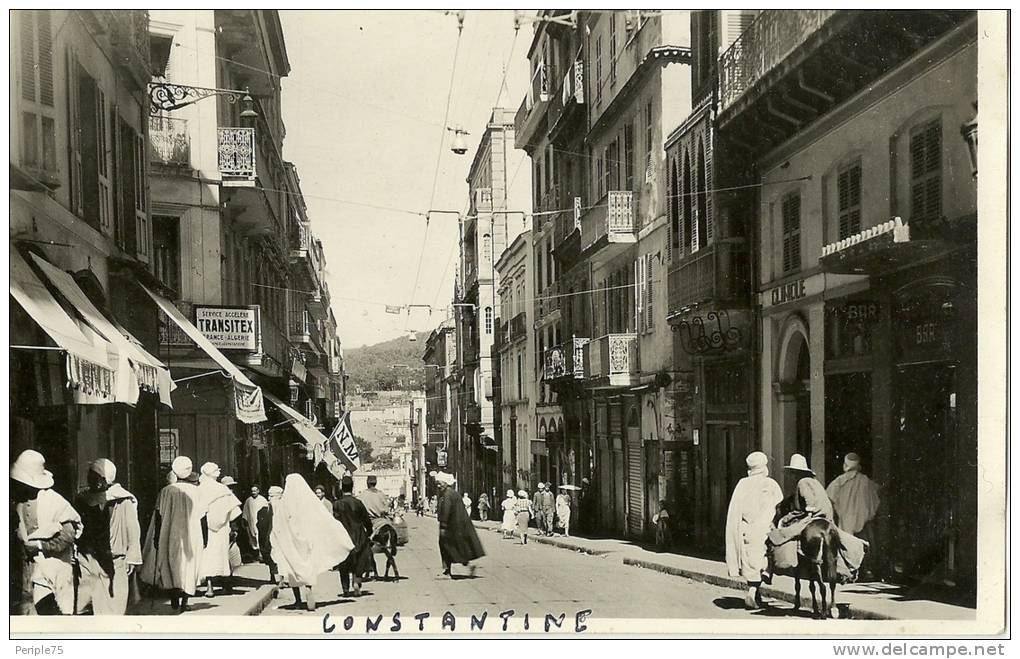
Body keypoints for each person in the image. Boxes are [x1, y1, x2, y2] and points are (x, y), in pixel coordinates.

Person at [11, 450, 85, 615]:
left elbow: (68, 534)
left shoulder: (54, 501)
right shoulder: (17, 501)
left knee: (54, 615)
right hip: (27, 574)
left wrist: (39, 545)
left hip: (54, 569)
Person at [271, 474, 354, 611]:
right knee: (307, 569)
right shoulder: (307, 503)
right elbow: (321, 519)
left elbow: (278, 524)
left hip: (290, 544)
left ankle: (298, 600)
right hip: (305, 542)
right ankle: (309, 592)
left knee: (293, 571)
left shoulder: (284, 504)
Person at [139, 456, 208, 612]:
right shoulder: (197, 492)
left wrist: (156, 536)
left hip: (169, 533)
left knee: (170, 564)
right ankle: (184, 601)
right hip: (192, 535)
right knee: (189, 566)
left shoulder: (166, 491)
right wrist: (205, 538)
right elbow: (203, 516)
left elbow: (158, 514)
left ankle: (173, 596)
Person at [75, 458, 142, 615]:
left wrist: (132, 556)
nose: (90, 479)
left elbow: (133, 528)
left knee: (116, 602)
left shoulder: (122, 499)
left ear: (104, 479)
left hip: (116, 557)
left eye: (94, 476)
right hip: (91, 558)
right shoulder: (83, 498)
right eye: (90, 475)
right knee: (93, 601)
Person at [725, 451, 783, 610]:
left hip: (746, 528)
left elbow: (735, 509)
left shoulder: (742, 484)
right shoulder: (770, 484)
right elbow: (778, 503)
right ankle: (752, 592)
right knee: (764, 560)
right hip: (763, 529)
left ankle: (755, 594)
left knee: (750, 562)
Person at [197, 463, 242, 598]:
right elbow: (234, 512)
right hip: (222, 529)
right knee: (222, 555)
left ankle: (209, 587)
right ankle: (225, 585)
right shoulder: (223, 490)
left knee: (207, 557)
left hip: (205, 530)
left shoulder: (199, 490)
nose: (219, 471)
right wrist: (233, 528)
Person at [435, 472, 485, 577]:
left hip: (449, 526)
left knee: (445, 546)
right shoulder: (454, 493)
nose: (438, 486)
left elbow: (446, 510)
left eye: (439, 483)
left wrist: (443, 525)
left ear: (445, 483)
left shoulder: (447, 494)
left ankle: (447, 571)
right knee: (456, 547)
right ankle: (466, 565)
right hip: (457, 526)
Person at [332, 475, 373, 597]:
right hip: (358, 535)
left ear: (341, 488)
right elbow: (366, 520)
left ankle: (345, 589)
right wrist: (369, 532)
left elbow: (334, 521)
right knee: (360, 560)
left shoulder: (337, 504)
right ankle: (356, 582)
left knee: (343, 562)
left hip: (343, 536)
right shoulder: (358, 503)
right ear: (352, 487)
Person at [826, 452, 880, 542]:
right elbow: (876, 494)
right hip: (862, 528)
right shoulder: (865, 481)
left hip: (845, 526)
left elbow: (829, 497)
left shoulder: (839, 481)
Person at [782, 454, 834, 519]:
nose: (792, 476)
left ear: (797, 473)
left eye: (793, 473)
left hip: (816, 515)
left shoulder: (803, 482)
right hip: (826, 514)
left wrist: (809, 514)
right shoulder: (814, 481)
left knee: (784, 522)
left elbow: (809, 499)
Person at [257, 486, 282, 584]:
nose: (270, 499)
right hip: (269, 538)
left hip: (280, 538)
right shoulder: (263, 511)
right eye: (270, 496)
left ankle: (282, 578)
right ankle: (273, 576)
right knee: (271, 557)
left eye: (272, 496)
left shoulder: (284, 510)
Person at [242, 485, 268, 562]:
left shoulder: (262, 500)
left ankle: (261, 555)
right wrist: (245, 520)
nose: (253, 492)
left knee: (260, 537)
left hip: (260, 523)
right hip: (251, 522)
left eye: (255, 491)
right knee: (252, 538)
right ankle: (256, 554)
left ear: (258, 491)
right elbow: (245, 512)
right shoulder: (248, 500)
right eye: (252, 491)